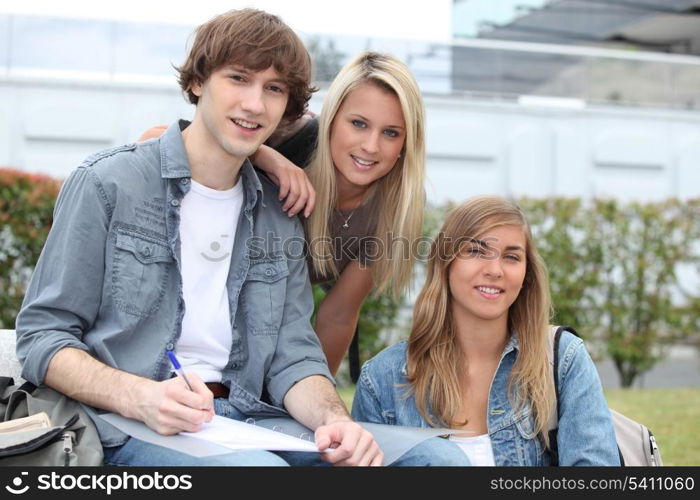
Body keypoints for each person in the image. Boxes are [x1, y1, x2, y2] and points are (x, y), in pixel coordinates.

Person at [15, 9, 466, 467]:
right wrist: (140, 397)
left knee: (437, 462)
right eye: (238, 79)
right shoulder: (107, 184)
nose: (255, 104)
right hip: (130, 422)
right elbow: (41, 336)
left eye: (273, 89)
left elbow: (295, 354)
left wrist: (335, 420)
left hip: (250, 416)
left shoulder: (281, 209)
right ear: (197, 82)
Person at [139, 52, 426, 376]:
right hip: (191, 309)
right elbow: (153, 140)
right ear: (332, 119)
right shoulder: (292, 134)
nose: (371, 146)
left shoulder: (393, 209)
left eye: (391, 132)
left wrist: (316, 400)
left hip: (266, 332)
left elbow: (338, 315)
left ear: (407, 141)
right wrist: (264, 156)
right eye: (358, 124)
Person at [351, 196, 621, 466]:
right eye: (476, 251)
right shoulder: (382, 380)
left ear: (527, 275)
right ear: (446, 263)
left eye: (511, 257)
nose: (494, 270)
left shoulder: (564, 359)